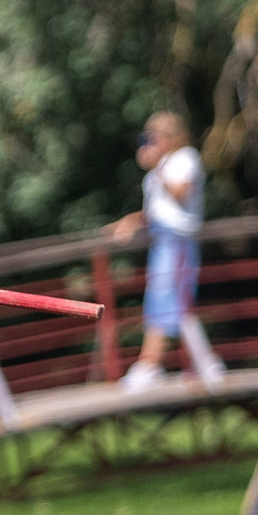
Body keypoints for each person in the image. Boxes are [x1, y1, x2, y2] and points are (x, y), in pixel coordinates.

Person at [108, 111, 205, 391]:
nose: (149, 143)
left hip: (177, 239)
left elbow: (179, 194)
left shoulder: (185, 158)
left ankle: (150, 364)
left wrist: (156, 169)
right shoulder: (165, 165)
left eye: (154, 138)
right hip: (162, 238)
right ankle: (199, 363)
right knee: (170, 301)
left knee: (166, 299)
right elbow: (157, 209)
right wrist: (129, 222)